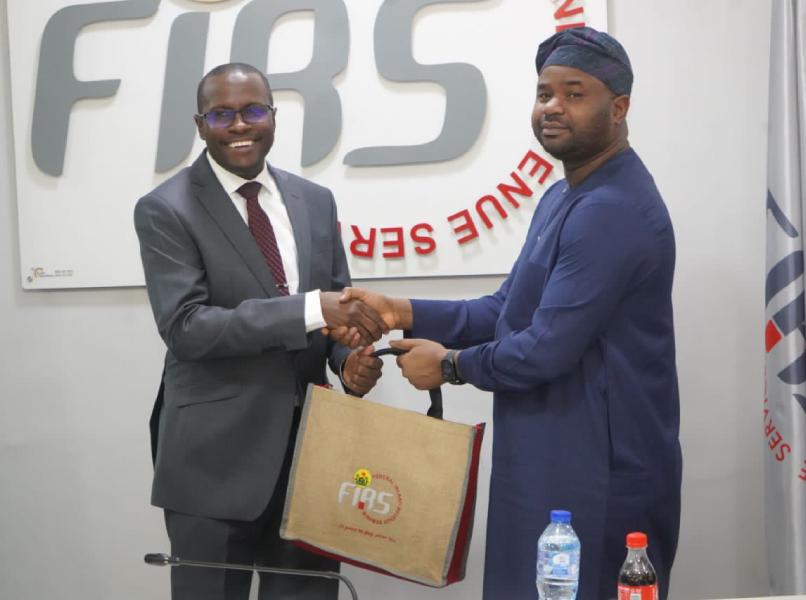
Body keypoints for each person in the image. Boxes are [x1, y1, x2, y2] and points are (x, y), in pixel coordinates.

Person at [331, 27, 682, 600]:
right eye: (544, 93)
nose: (553, 108)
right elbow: (504, 310)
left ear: (618, 108)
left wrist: (449, 367)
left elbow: (545, 347)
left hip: (598, 469)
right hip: (546, 454)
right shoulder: (563, 195)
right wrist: (399, 310)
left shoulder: (613, 209)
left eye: (574, 94)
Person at [134, 62, 386, 600]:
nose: (239, 125)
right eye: (221, 114)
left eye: (252, 111)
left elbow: (335, 317)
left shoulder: (315, 202)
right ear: (200, 125)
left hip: (311, 463)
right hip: (212, 465)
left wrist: (350, 364)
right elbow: (187, 328)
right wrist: (311, 309)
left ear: (272, 116)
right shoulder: (164, 210)